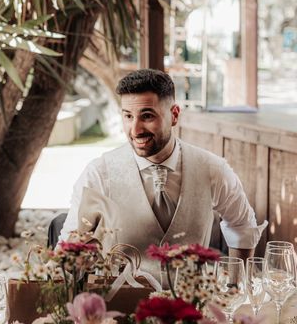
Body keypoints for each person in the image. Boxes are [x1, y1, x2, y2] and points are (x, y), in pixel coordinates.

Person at [58, 69, 266, 277]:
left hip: (192, 303)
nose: (135, 129)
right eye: (128, 116)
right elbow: (68, 249)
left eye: (147, 116)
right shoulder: (98, 174)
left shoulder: (213, 169)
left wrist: (236, 284)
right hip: (122, 304)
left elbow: (243, 226)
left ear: (174, 115)